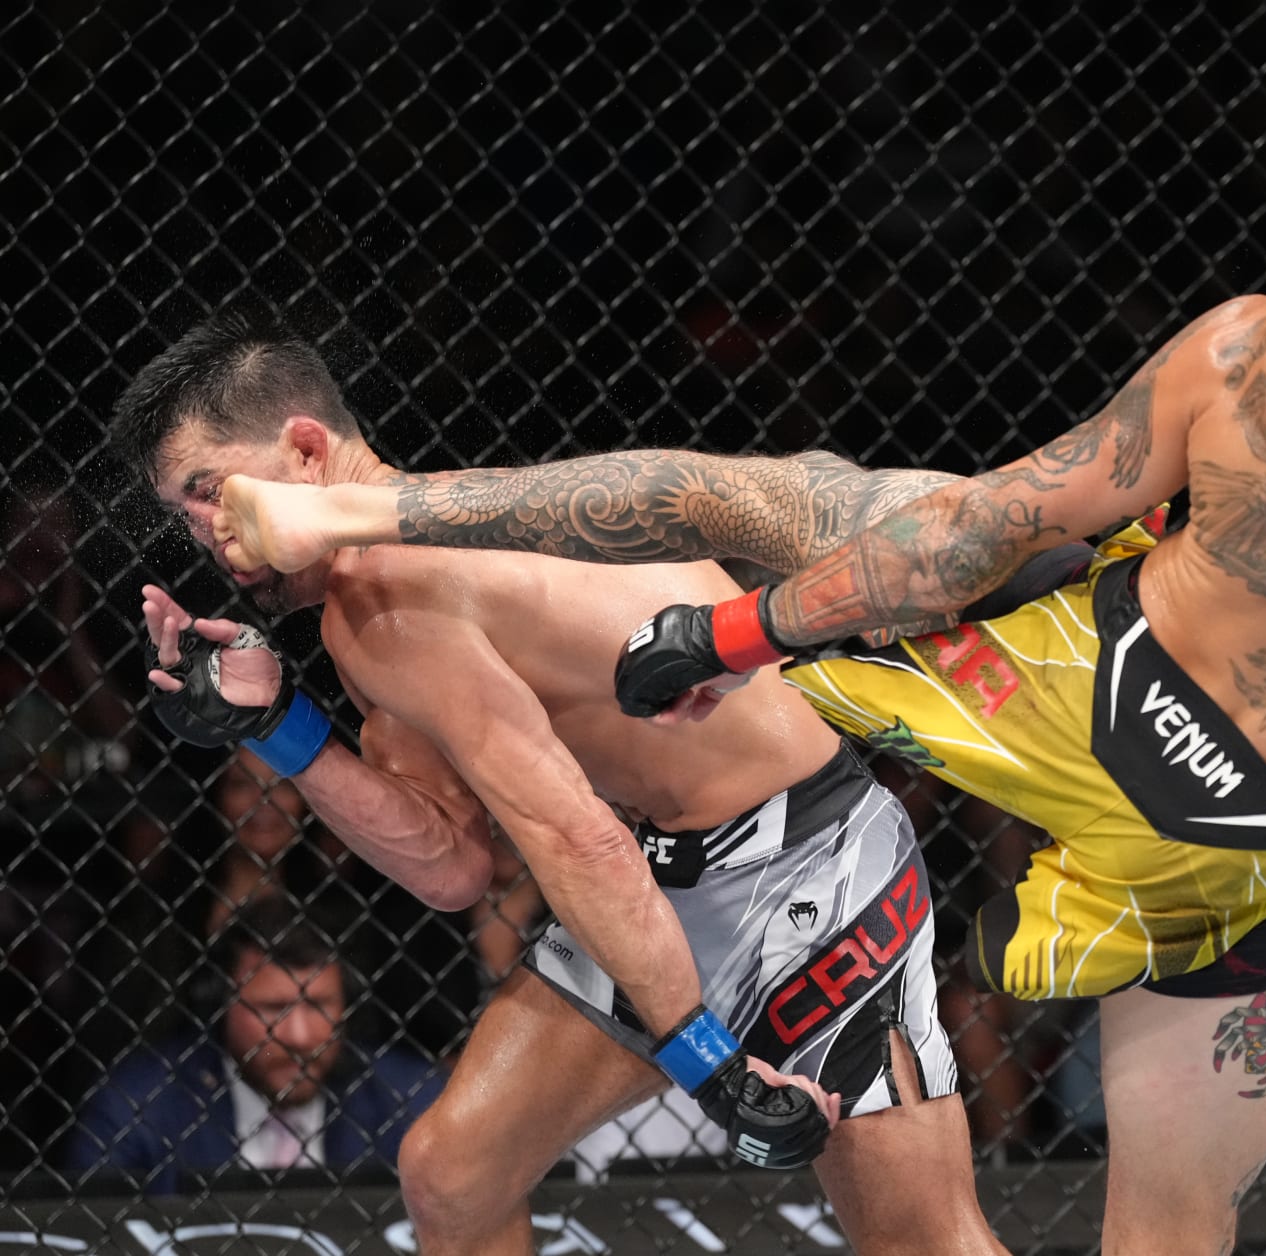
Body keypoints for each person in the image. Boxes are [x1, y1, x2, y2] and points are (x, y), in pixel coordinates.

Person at [210, 69, 1266, 1253]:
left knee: (735, 494)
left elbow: (989, 531)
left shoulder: (1263, 342)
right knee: (1178, 1231)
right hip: (1247, 856)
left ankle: (370, 506)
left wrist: (740, 629)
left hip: (1070, 696)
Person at [107, 317, 1003, 1256]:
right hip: (663, 880)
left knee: (923, 1241)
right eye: (182, 513)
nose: (207, 534)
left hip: (814, 867)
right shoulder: (370, 610)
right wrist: (278, 729)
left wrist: (710, 1070)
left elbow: (578, 840)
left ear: (302, 449)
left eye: (210, 491)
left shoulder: (400, 592)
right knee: (454, 1174)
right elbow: (451, 863)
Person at [62, 897, 443, 1195]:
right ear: (221, 1003)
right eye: (272, 1009)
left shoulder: (411, 1100)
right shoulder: (137, 1108)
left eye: (318, 1005)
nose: (299, 1036)